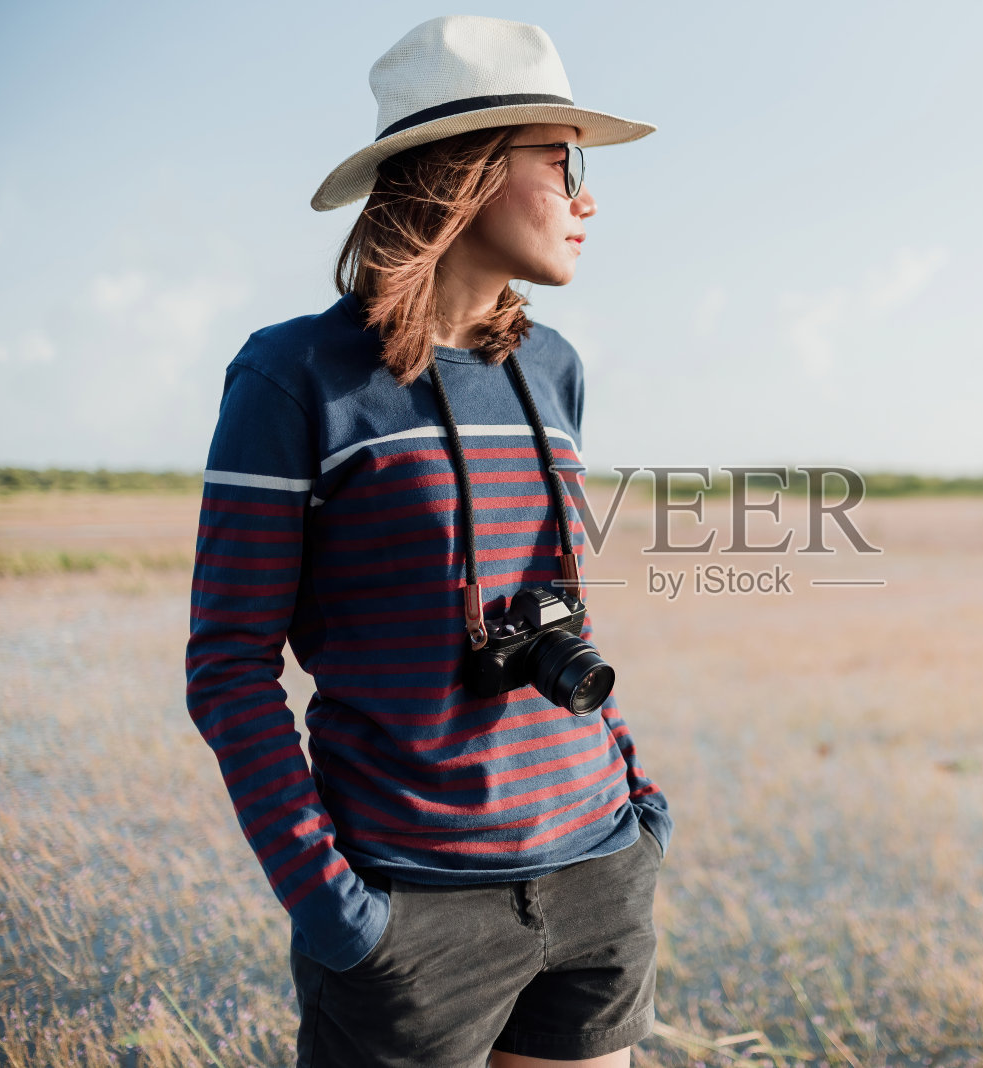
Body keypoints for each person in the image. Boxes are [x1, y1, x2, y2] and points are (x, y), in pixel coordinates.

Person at [183, 15, 671, 1067]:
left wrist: (639, 807)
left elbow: (559, 605)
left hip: (597, 875)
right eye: (561, 161)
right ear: (466, 175)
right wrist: (339, 917)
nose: (587, 198)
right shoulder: (294, 379)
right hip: (410, 911)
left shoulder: (554, 369)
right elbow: (227, 668)